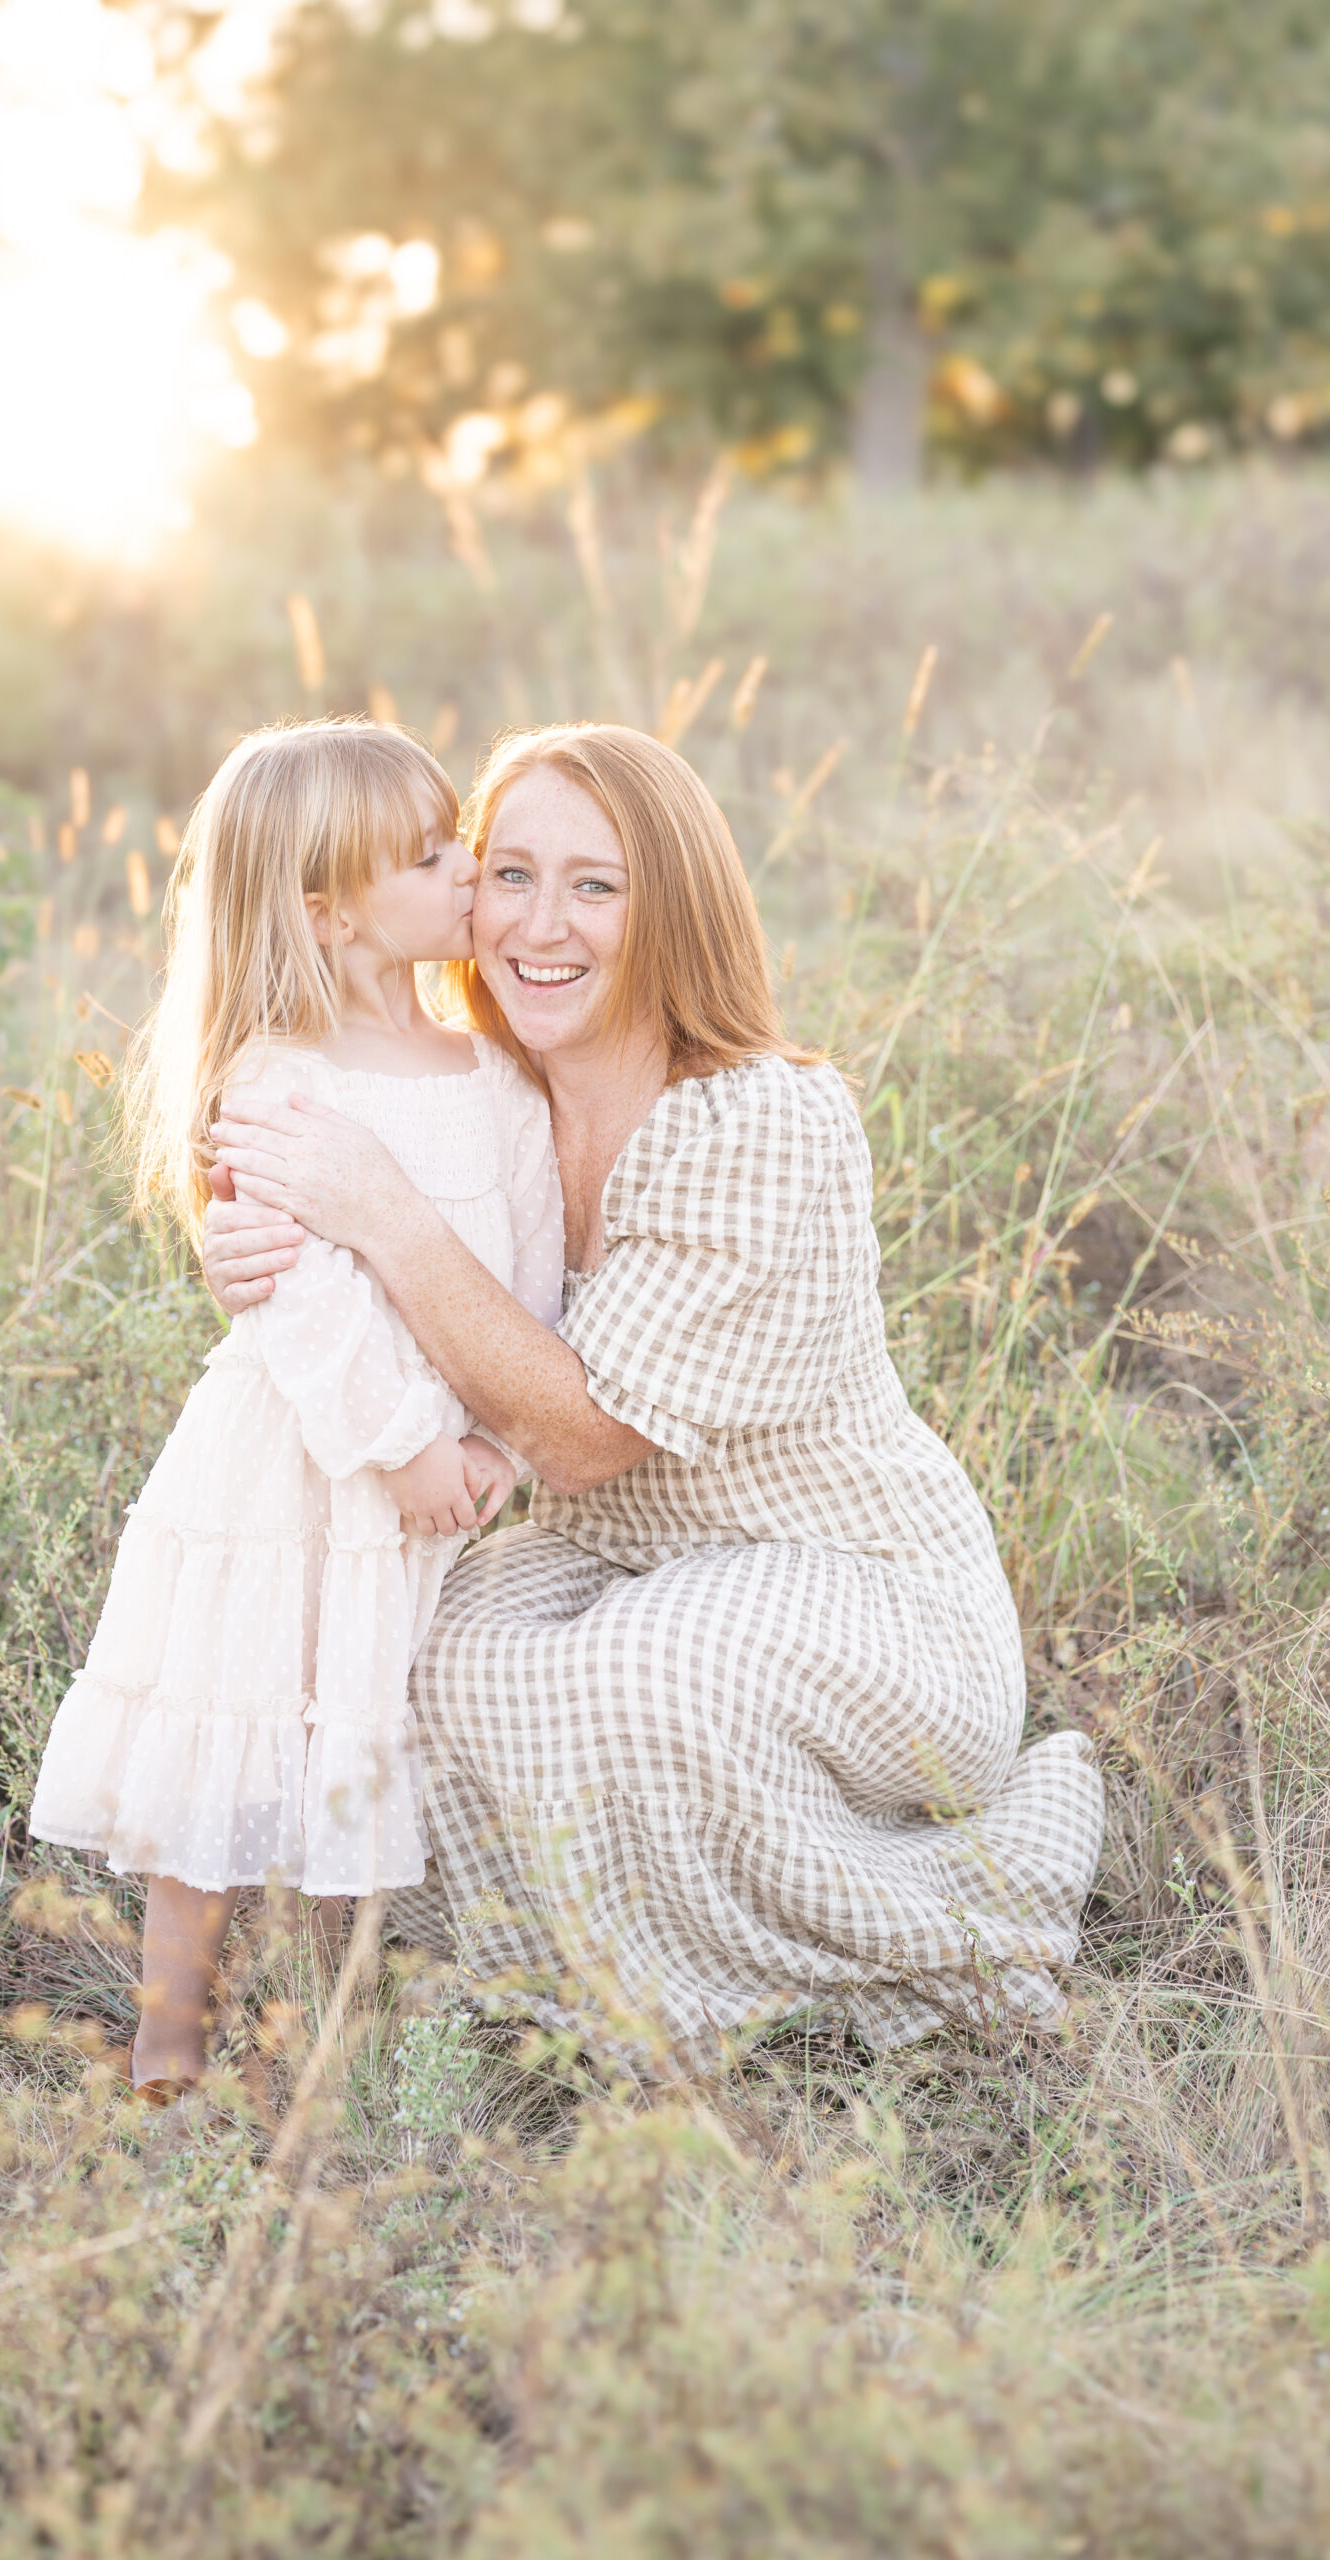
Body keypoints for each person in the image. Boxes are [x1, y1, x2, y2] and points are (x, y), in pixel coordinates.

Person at [203, 723, 1105, 2056]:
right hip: (621, 1571)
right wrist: (252, 1253)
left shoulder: (756, 1122)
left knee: (656, 1663)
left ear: (670, 907)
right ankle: (579, 1989)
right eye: (508, 874)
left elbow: (574, 1440)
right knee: (430, 1665)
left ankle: (893, 1944)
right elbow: (316, 1257)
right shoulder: (481, 1097)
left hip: (868, 1595)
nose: (540, 923)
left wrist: (383, 1214)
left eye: (596, 885)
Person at [29, 720, 564, 2094]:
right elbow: (295, 1297)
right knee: (235, 1706)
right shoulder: (281, 1077)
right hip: (303, 1461)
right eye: (434, 855)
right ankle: (170, 2026)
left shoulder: (496, 1077)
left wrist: (496, 1440)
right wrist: (400, 1448)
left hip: (445, 1470)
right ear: (327, 913)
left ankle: (327, 2016)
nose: (471, 869)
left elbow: (532, 1269)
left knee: (358, 1722)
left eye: (462, 842)